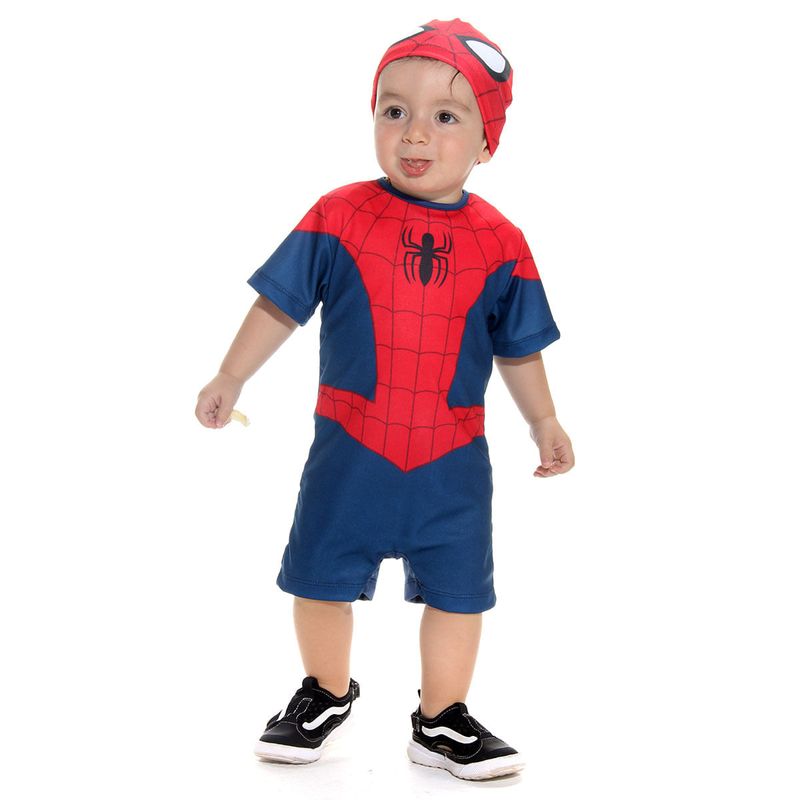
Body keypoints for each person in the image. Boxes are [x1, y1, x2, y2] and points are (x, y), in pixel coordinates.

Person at [195, 18, 574, 782]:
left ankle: (443, 718)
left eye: (446, 116)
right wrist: (231, 375)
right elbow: (278, 306)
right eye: (393, 110)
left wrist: (544, 420)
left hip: (452, 460)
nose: (414, 133)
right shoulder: (338, 216)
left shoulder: (502, 242)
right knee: (317, 579)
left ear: (488, 141)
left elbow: (519, 347)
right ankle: (324, 691)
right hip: (351, 448)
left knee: (460, 595)